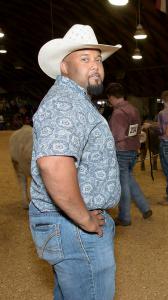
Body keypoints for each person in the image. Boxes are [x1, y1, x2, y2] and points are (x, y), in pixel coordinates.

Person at [29, 24, 122, 300]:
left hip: (68, 224)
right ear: (64, 67)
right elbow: (53, 164)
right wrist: (84, 219)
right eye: (84, 59)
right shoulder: (65, 103)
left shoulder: (75, 99)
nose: (95, 66)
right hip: (73, 227)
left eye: (97, 59)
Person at [106, 82, 152, 226]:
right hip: (133, 150)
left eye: (109, 99)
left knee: (123, 185)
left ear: (112, 97)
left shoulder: (118, 113)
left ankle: (124, 217)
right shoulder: (133, 109)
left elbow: (116, 136)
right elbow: (136, 130)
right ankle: (145, 208)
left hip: (121, 151)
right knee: (129, 181)